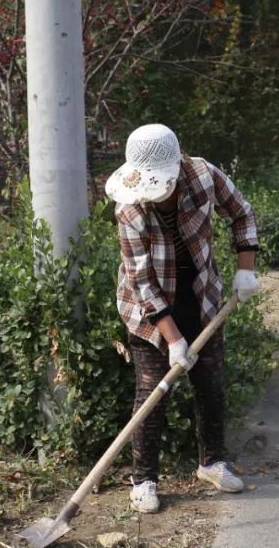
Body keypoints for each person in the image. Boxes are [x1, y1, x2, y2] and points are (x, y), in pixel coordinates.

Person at [106, 124, 260, 513]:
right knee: (151, 395)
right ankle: (143, 479)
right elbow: (142, 283)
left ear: (176, 172)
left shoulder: (204, 176)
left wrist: (246, 269)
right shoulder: (129, 209)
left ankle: (212, 463)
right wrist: (173, 340)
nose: (153, 197)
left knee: (212, 386)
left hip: (201, 297)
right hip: (149, 313)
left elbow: (241, 213)